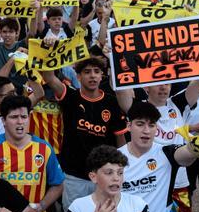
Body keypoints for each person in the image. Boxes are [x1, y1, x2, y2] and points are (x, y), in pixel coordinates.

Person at [40, 57, 131, 204]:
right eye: (87, 72)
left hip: (104, 175)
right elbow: (49, 77)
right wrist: (49, 52)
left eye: (96, 71)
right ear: (78, 76)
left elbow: (120, 138)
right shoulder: (70, 96)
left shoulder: (111, 101)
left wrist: (122, 168)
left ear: (102, 75)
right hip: (74, 177)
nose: (93, 75)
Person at [119, 100, 199, 212]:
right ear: (129, 126)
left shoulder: (167, 152)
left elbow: (189, 152)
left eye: (151, 125)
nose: (146, 130)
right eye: (140, 124)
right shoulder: (114, 157)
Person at [0, 95, 65, 212]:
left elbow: (58, 184)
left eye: (24, 117)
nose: (20, 122)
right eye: (14, 117)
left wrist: (40, 208)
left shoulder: (44, 148)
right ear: (3, 120)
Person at [65, 145, 152, 212]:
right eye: (109, 172)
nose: (116, 178)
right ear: (93, 177)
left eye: (120, 173)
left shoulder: (138, 205)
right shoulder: (77, 208)